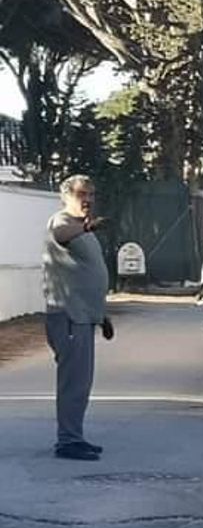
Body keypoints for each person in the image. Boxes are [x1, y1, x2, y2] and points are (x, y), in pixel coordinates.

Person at [41, 174, 112, 462]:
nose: (88, 199)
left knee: (81, 382)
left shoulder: (83, 229)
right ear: (66, 196)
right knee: (73, 382)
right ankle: (67, 441)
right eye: (82, 194)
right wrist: (87, 227)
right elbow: (61, 235)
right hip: (68, 316)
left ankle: (75, 436)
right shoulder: (61, 222)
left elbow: (87, 274)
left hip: (84, 316)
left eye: (91, 194)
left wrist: (102, 315)